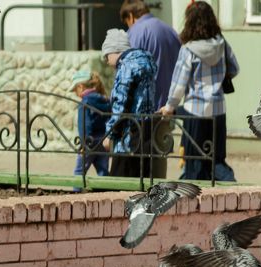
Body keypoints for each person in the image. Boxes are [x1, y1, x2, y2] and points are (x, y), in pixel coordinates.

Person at [158, 1, 238, 182]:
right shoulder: (222, 44)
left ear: (190, 22)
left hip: (195, 112)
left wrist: (170, 107)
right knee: (216, 160)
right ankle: (234, 189)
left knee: (194, 163)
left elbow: (179, 84)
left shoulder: (188, 51)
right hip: (218, 111)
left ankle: (193, 201)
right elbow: (234, 68)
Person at [100, 29, 156, 178]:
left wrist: (110, 134)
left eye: (106, 55)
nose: (106, 61)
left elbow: (121, 103)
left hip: (129, 133)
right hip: (146, 127)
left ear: (115, 50)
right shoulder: (145, 61)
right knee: (140, 180)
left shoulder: (126, 66)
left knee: (119, 182)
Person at [120, 0, 180, 109]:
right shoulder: (171, 30)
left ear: (130, 16)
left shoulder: (135, 33)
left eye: (127, 23)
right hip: (168, 110)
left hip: (144, 111)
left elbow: (127, 75)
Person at [70, 70, 111, 185]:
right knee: (103, 170)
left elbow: (85, 125)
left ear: (80, 86)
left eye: (75, 90)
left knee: (79, 171)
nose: (75, 93)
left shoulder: (85, 102)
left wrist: (84, 143)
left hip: (90, 142)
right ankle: (106, 192)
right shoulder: (104, 99)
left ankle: (76, 194)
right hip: (103, 141)